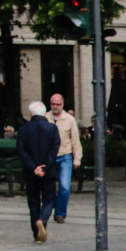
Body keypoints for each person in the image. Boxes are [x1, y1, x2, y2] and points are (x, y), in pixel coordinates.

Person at [16, 101, 60, 244]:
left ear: (31, 114)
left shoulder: (24, 129)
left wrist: (33, 167)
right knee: (49, 199)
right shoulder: (52, 129)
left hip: (30, 172)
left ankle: (36, 235)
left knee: (33, 201)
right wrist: (45, 167)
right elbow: (54, 150)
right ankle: (43, 219)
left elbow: (21, 151)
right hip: (48, 171)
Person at [45, 94, 82, 224]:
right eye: (53, 104)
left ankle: (60, 213)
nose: (55, 107)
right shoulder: (45, 118)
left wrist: (77, 158)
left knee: (65, 186)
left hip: (65, 155)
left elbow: (75, 140)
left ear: (62, 104)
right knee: (48, 186)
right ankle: (51, 207)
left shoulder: (70, 119)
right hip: (49, 156)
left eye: (58, 104)